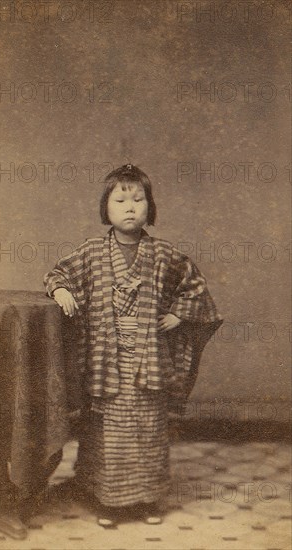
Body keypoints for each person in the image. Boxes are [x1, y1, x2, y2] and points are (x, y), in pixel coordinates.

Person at [44, 164, 222, 527]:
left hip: (149, 359)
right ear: (105, 207)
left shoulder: (165, 254)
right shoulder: (92, 252)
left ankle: (147, 499)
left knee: (148, 431)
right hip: (105, 359)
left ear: (149, 206)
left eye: (138, 200)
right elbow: (58, 273)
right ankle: (106, 499)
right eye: (120, 199)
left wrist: (179, 315)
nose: (130, 208)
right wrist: (61, 290)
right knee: (107, 434)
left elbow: (195, 289)